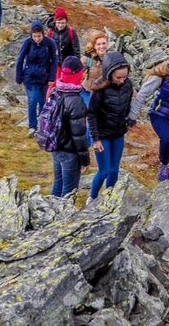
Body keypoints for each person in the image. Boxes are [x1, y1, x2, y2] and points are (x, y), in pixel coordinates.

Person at [134, 46, 169, 181]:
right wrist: (132, 117)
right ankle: (164, 164)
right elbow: (142, 95)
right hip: (159, 114)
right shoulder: (161, 77)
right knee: (168, 139)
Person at [86, 50, 135, 203]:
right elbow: (91, 114)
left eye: (124, 77)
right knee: (104, 171)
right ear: (109, 74)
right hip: (102, 136)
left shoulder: (128, 85)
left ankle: (109, 199)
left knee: (114, 170)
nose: (122, 80)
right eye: (118, 77)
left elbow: (127, 107)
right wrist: (95, 139)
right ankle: (92, 198)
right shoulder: (99, 89)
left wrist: (129, 120)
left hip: (118, 133)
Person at [45, 56, 90, 198]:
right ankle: (63, 219)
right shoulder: (75, 100)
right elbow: (79, 134)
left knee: (58, 183)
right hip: (70, 151)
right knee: (69, 191)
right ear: (78, 74)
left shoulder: (55, 92)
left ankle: (50, 215)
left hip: (55, 147)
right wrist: (85, 160)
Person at [15, 19, 58, 133]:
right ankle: (32, 126)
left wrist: (52, 78)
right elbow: (20, 59)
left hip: (44, 77)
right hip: (30, 77)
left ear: (43, 34)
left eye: (39, 36)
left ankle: (43, 124)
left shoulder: (50, 43)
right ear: (31, 35)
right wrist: (18, 77)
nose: (37, 39)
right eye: (34, 36)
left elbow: (54, 60)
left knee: (43, 101)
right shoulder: (27, 43)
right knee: (33, 101)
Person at [80, 29, 109, 107]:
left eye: (104, 43)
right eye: (98, 44)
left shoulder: (111, 58)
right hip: (87, 92)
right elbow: (77, 73)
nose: (101, 46)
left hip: (104, 95)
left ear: (107, 44)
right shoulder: (88, 58)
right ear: (94, 46)